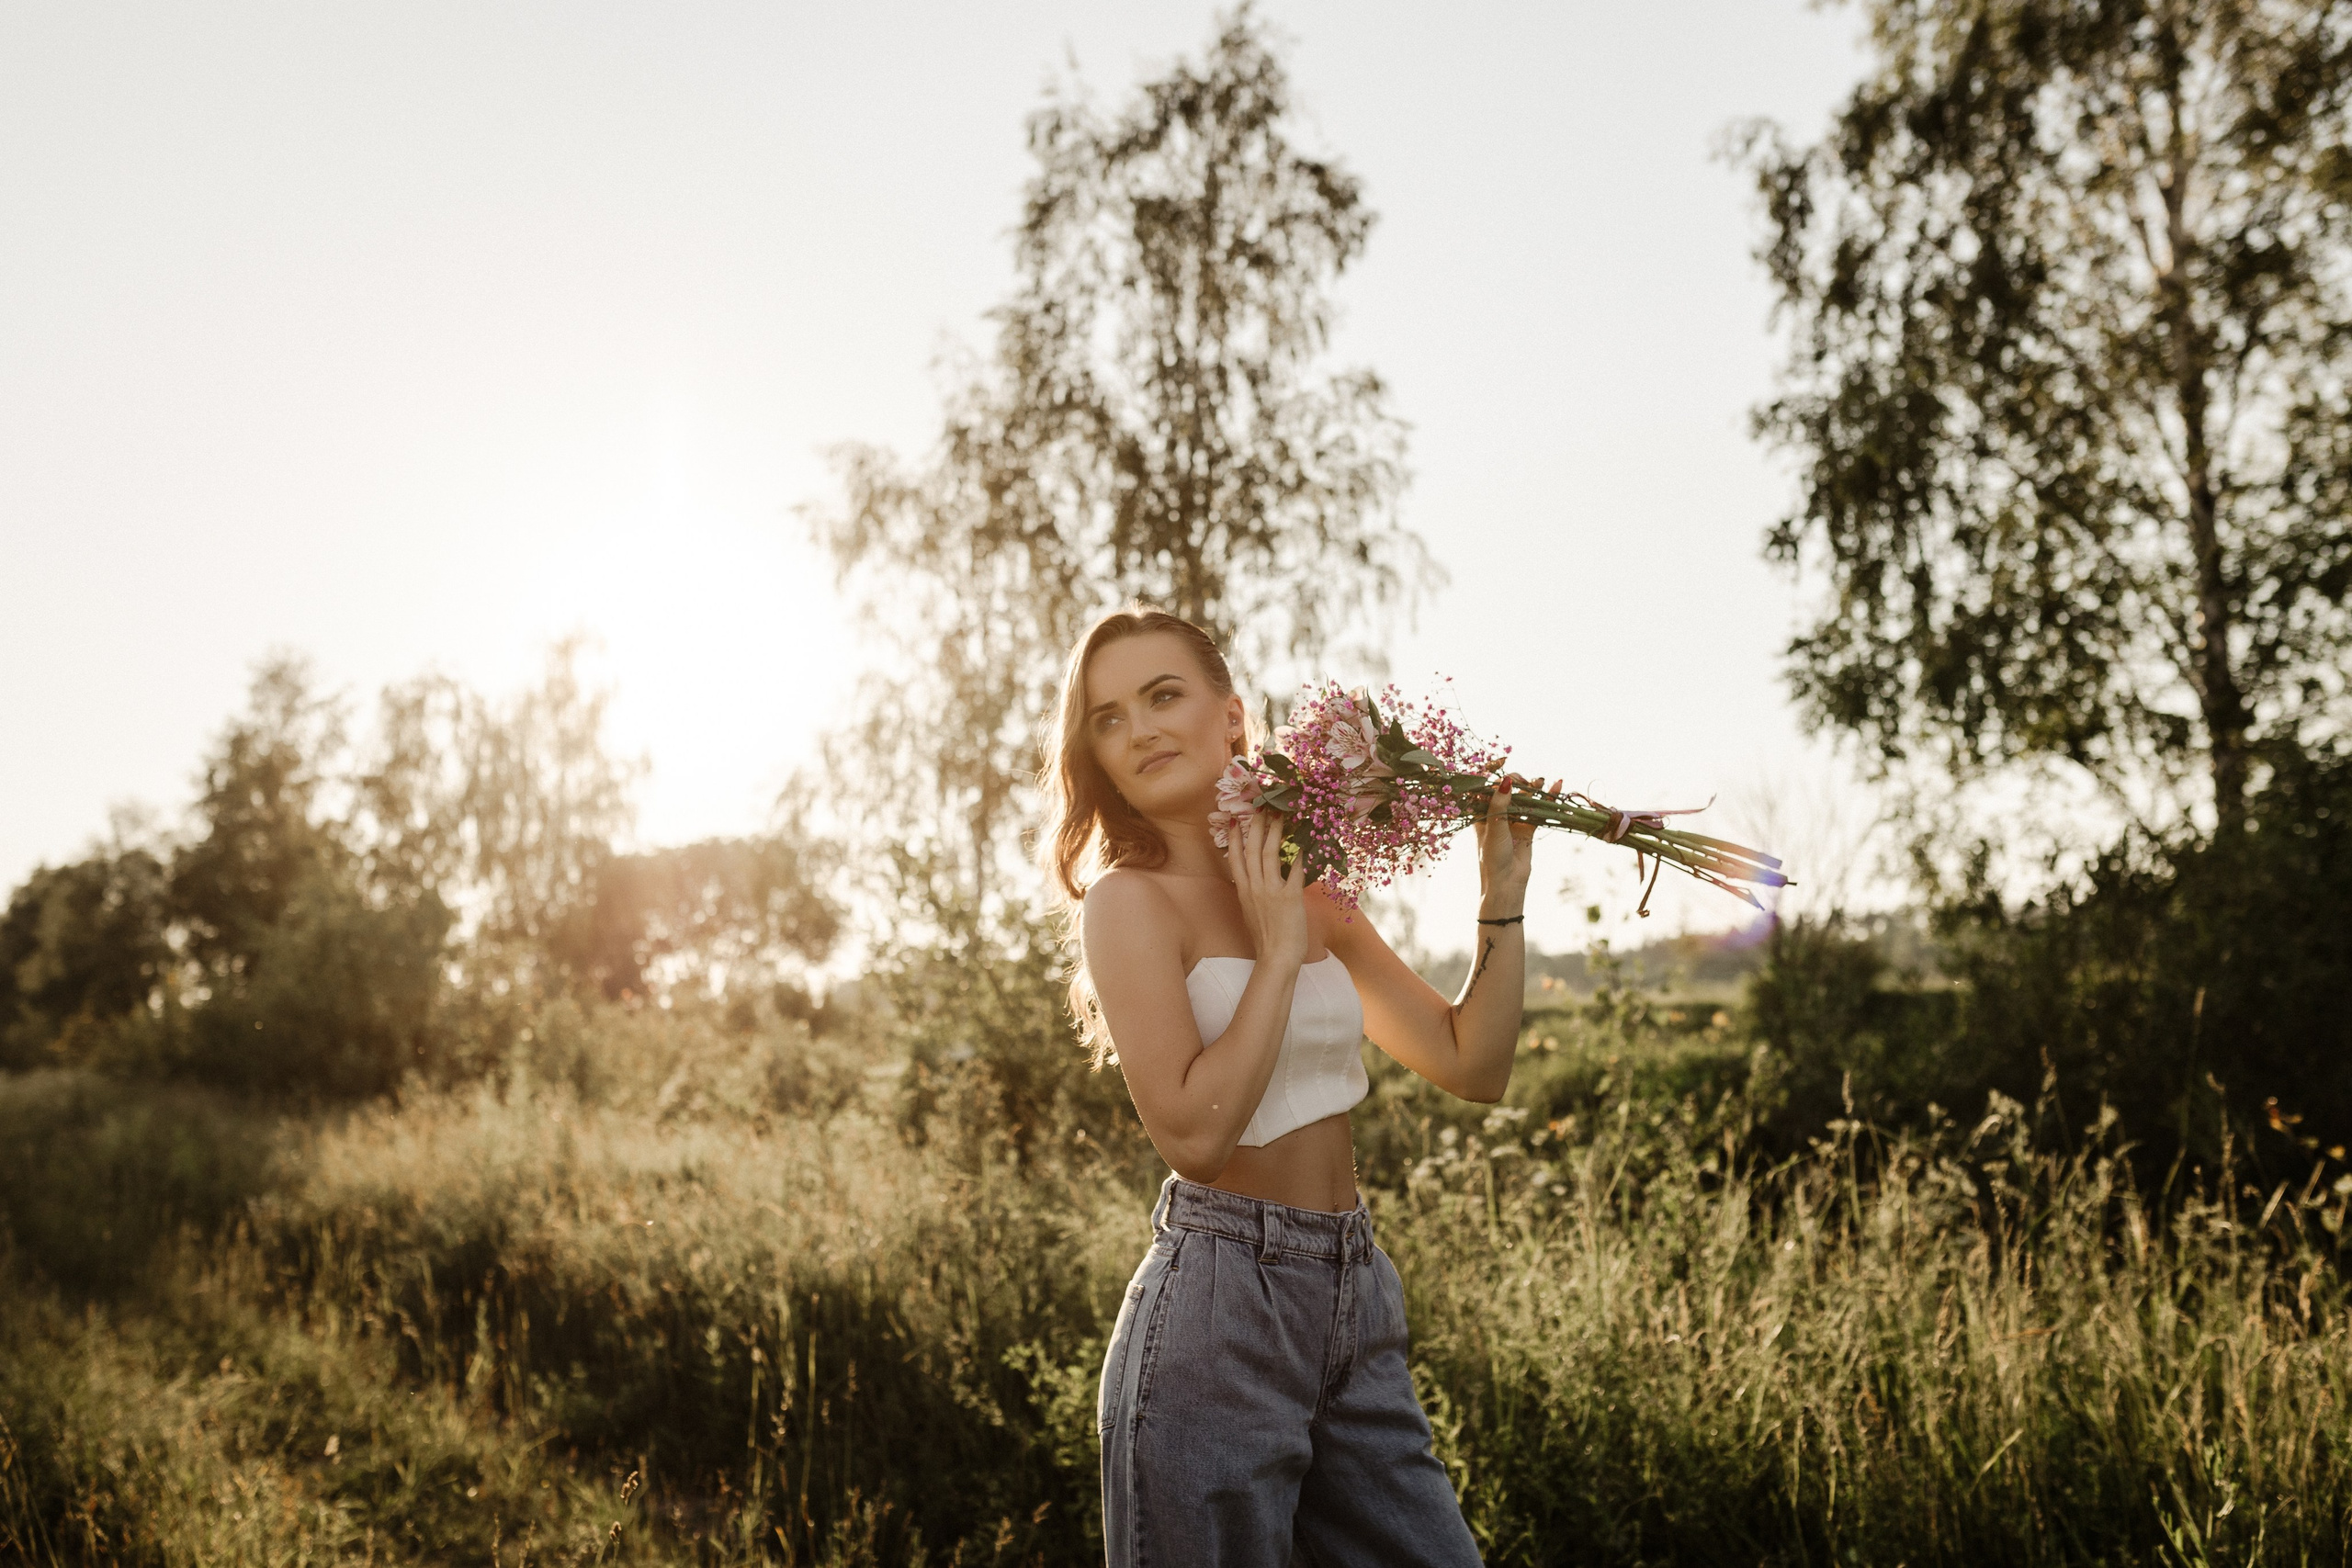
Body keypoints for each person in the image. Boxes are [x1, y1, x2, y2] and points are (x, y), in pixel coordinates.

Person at [1041, 605, 1544, 1567]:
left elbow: (1469, 1063)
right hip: (1215, 1312)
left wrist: (1501, 902)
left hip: (1354, 1293)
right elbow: (1192, 1138)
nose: (1139, 729)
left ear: (1232, 716)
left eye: (1162, 696)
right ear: (1095, 757)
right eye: (1107, 719)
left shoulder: (1314, 886)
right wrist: (1275, 960)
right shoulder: (1128, 904)